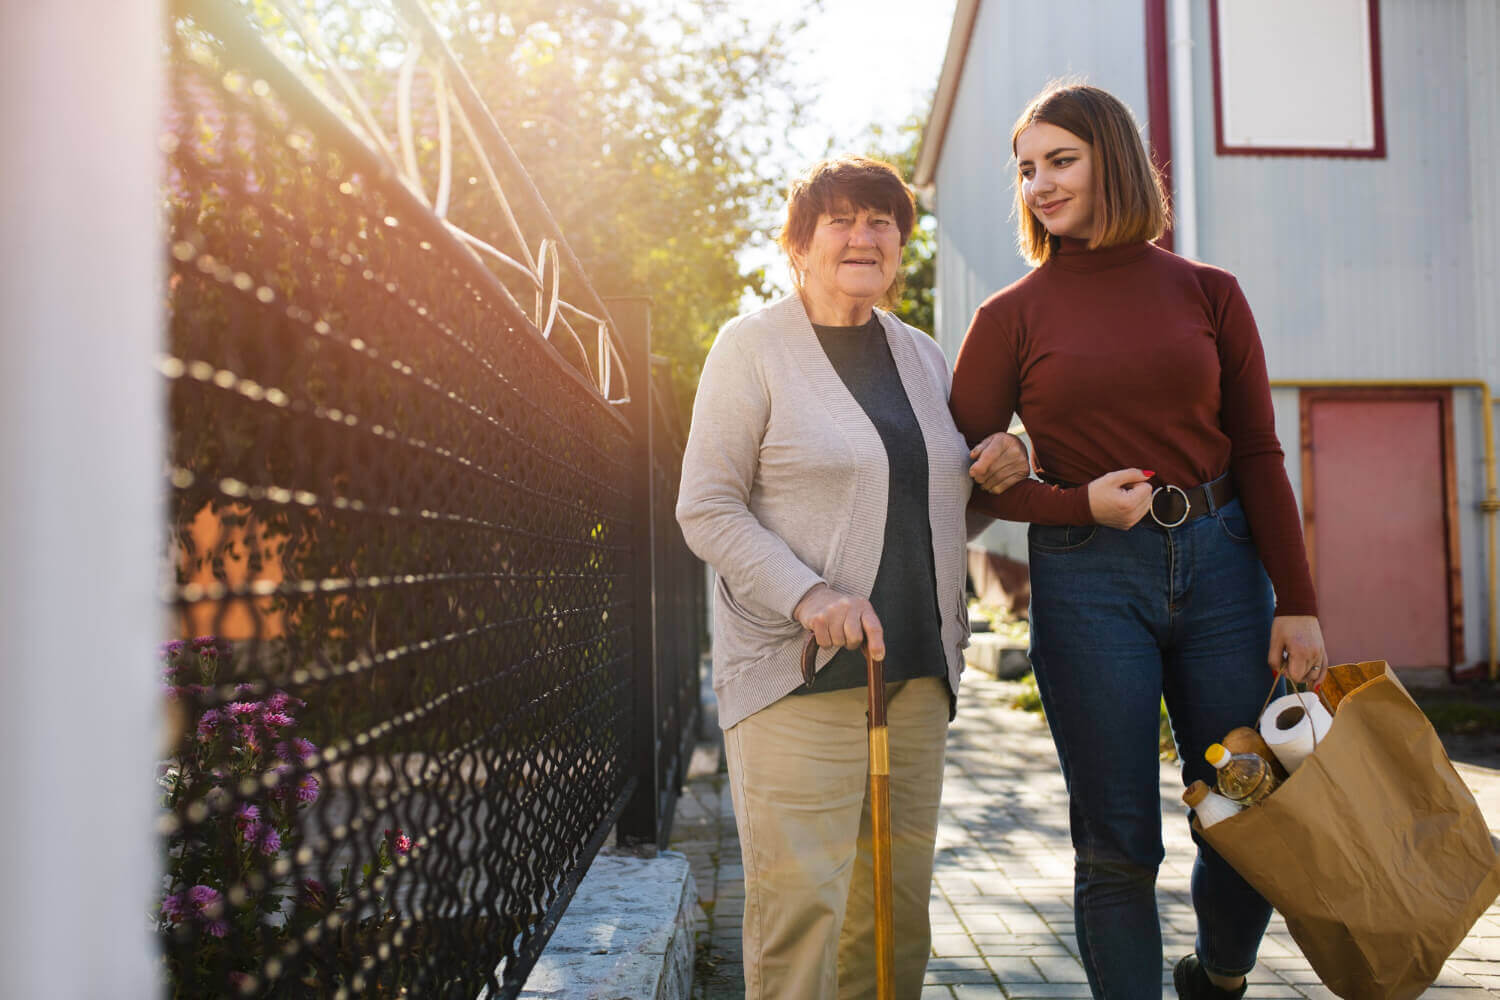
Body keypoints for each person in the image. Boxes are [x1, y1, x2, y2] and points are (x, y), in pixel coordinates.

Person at [948, 83, 1328, 1000]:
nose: (1039, 184)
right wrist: (1070, 501)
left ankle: (1220, 977)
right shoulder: (1010, 316)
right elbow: (957, 482)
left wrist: (1302, 602)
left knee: (1246, 814)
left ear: (1112, 158)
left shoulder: (1211, 293)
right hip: (1088, 587)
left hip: (1226, 573)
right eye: (1027, 168)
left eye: (1060, 161)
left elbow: (1261, 452)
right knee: (1116, 841)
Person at [676, 155, 1029, 999]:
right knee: (804, 920)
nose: (863, 236)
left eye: (882, 221)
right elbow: (707, 508)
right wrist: (811, 595)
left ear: (901, 243)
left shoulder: (922, 358)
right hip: (798, 679)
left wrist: (1014, 459)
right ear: (799, 245)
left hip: (913, 679)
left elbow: (937, 506)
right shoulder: (751, 348)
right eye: (839, 220)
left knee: (896, 920)